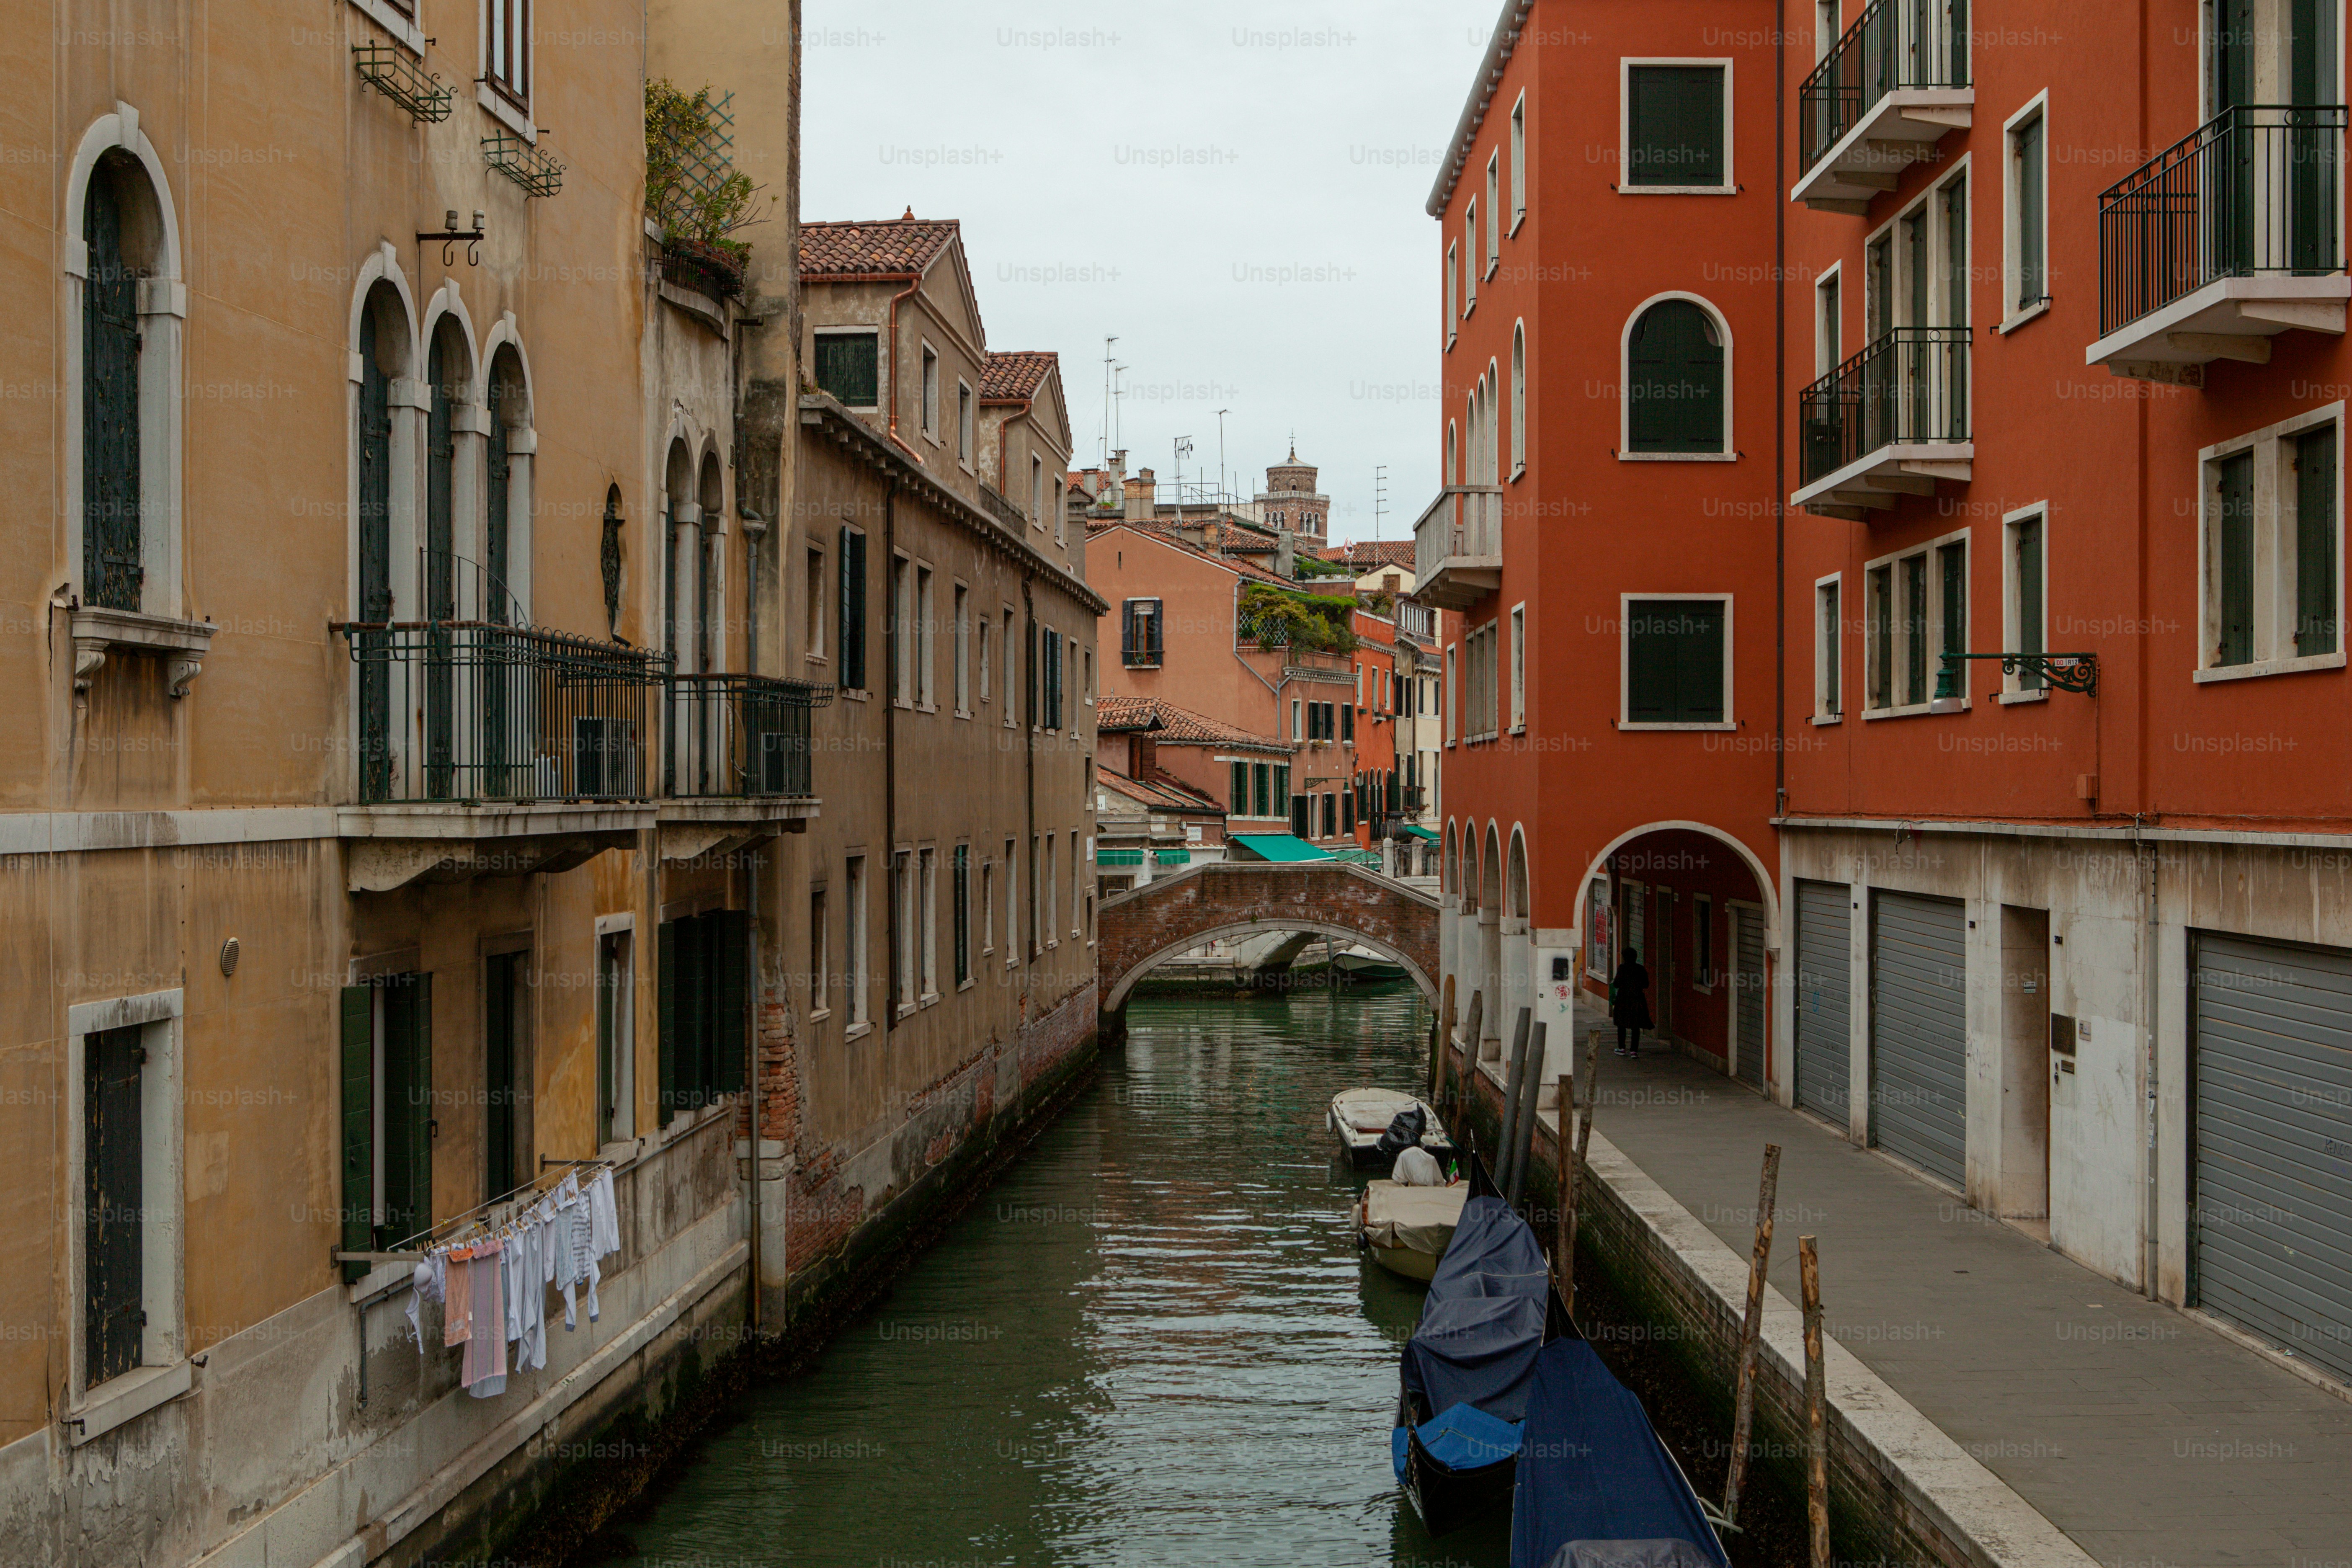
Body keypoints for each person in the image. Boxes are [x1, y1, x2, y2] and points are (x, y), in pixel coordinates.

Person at [1609, 950, 1652, 1058]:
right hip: (1637, 999)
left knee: (1621, 1024)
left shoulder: (1622, 968)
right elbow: (1646, 984)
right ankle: (1634, 1051)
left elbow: (1616, 984)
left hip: (1623, 999)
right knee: (1636, 1025)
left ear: (1624, 958)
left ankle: (1622, 1048)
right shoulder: (1640, 969)